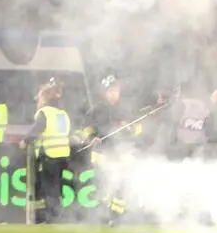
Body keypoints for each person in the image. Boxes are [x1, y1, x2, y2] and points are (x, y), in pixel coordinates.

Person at [81, 75, 134, 225]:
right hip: (102, 154)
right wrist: (92, 138)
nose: (114, 93)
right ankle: (104, 215)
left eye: (116, 90)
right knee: (105, 186)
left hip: (120, 153)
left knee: (120, 186)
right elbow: (86, 128)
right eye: (111, 90)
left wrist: (130, 128)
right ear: (106, 92)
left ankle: (115, 216)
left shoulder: (125, 110)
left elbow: (137, 130)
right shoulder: (97, 110)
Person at [22, 82, 72, 224]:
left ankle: (53, 218)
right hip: (63, 155)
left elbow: (36, 130)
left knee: (50, 188)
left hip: (50, 155)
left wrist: (25, 141)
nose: (37, 101)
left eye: (39, 98)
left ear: (44, 98)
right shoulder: (62, 114)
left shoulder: (45, 113)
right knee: (55, 186)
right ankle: (49, 216)